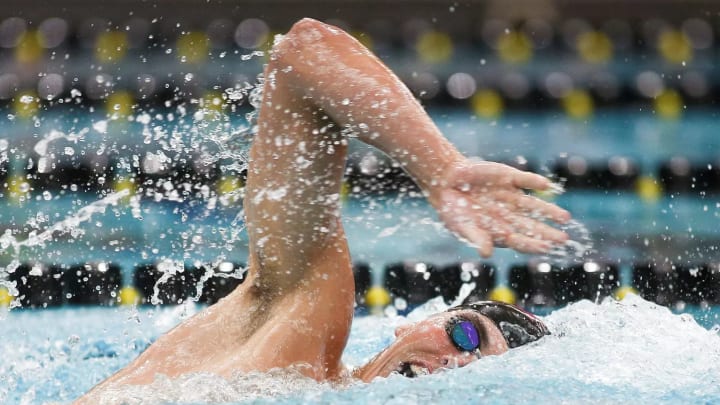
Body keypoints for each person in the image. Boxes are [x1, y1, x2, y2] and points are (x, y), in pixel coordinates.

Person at [78, 18, 570, 402]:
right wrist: (441, 167)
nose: (455, 367)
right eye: (466, 336)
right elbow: (304, 52)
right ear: (408, 324)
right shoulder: (300, 339)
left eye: (478, 382)